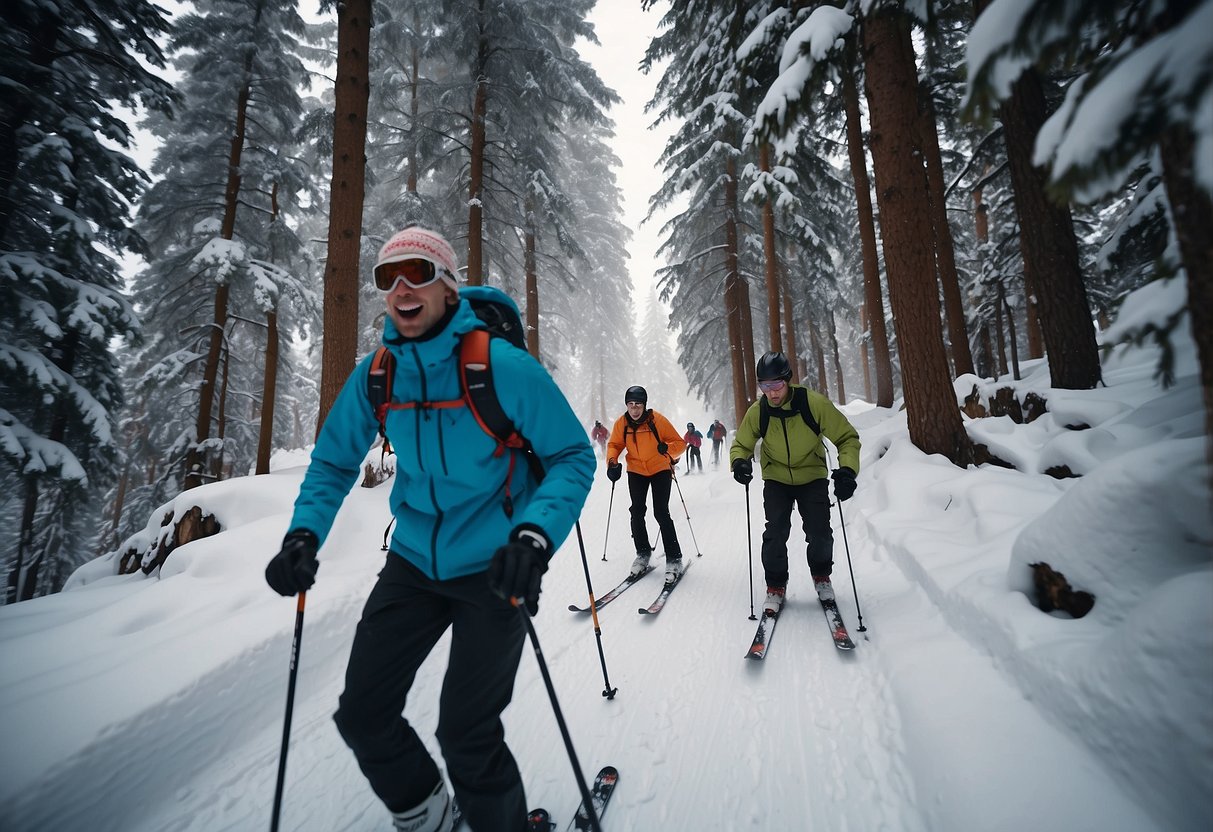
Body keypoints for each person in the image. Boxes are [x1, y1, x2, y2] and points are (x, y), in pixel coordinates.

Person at [264, 226, 594, 832]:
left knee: (467, 733)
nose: (402, 288)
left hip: (495, 569)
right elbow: (335, 460)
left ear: (446, 286)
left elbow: (573, 456)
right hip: (413, 564)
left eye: (417, 273)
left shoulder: (501, 367)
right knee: (362, 714)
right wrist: (303, 534)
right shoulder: (378, 374)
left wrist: (533, 538)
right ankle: (429, 814)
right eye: (388, 277)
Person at [728, 351, 860, 613]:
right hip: (776, 478)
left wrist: (847, 470)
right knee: (775, 532)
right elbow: (741, 444)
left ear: (788, 380)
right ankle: (775, 585)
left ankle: (821, 576)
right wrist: (739, 462)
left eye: (777, 384)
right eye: (765, 386)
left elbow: (847, 437)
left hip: (812, 475)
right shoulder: (759, 411)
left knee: (820, 532)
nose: (772, 392)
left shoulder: (813, 403)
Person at [605, 386, 687, 582]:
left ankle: (674, 557)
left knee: (660, 511)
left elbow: (680, 444)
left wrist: (666, 448)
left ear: (644, 405)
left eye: (638, 405)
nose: (634, 409)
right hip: (636, 471)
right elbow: (614, 445)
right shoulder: (622, 423)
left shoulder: (657, 420)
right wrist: (612, 462)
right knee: (636, 511)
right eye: (631, 405)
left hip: (660, 469)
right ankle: (643, 553)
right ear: (627, 405)